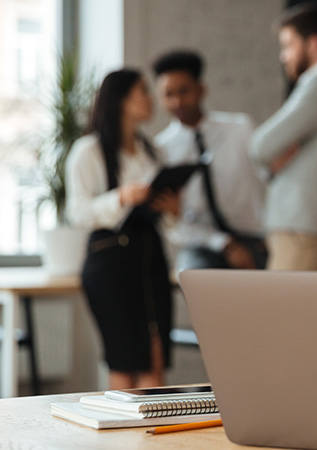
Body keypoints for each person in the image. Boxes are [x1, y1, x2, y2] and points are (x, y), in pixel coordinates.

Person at [66, 69, 179, 389]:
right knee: (126, 360)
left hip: (150, 259)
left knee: (155, 358)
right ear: (120, 100)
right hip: (110, 264)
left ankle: (153, 438)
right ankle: (123, 439)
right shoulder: (88, 151)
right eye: (141, 91)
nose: (149, 98)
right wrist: (121, 197)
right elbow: (77, 212)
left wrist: (170, 209)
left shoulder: (153, 151)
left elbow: (169, 221)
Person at [250, 4, 317, 271]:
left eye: (288, 45)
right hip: (307, 223)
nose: (283, 56)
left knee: (279, 312)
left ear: (313, 43)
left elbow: (260, 146)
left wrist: (276, 156)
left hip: (303, 225)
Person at [153, 50, 267, 271]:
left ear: (201, 89)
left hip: (254, 239)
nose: (177, 102)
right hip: (202, 245)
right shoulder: (161, 151)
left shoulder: (240, 128)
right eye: (168, 94)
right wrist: (225, 244)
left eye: (184, 91)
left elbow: (269, 179)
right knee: (192, 277)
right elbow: (174, 224)